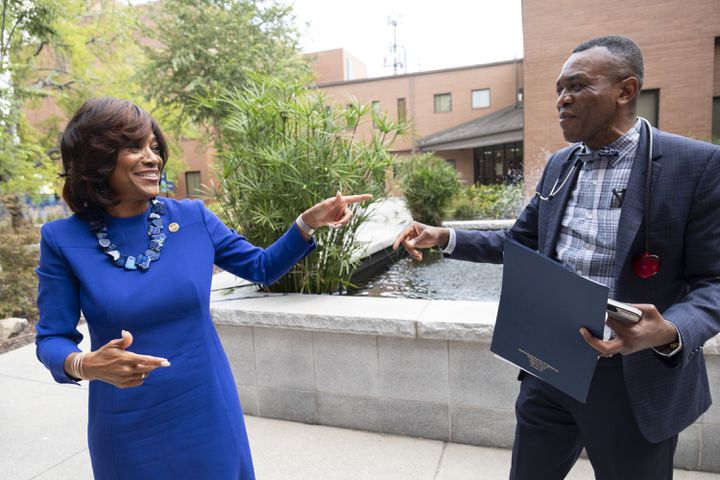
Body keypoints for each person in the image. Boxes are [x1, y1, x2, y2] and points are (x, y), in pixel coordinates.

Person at [394, 36, 720, 480]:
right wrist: (446, 236)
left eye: (578, 86)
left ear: (625, 91)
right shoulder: (561, 164)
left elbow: (714, 281)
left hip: (633, 379)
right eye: (559, 89)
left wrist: (671, 330)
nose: (562, 100)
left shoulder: (696, 165)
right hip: (549, 368)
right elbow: (521, 242)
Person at [35, 96, 372, 479]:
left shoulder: (193, 218)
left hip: (206, 409)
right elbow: (51, 339)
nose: (152, 158)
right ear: (97, 157)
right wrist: (85, 364)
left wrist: (306, 224)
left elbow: (261, 267)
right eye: (134, 147)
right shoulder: (62, 239)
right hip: (126, 424)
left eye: (154, 147)